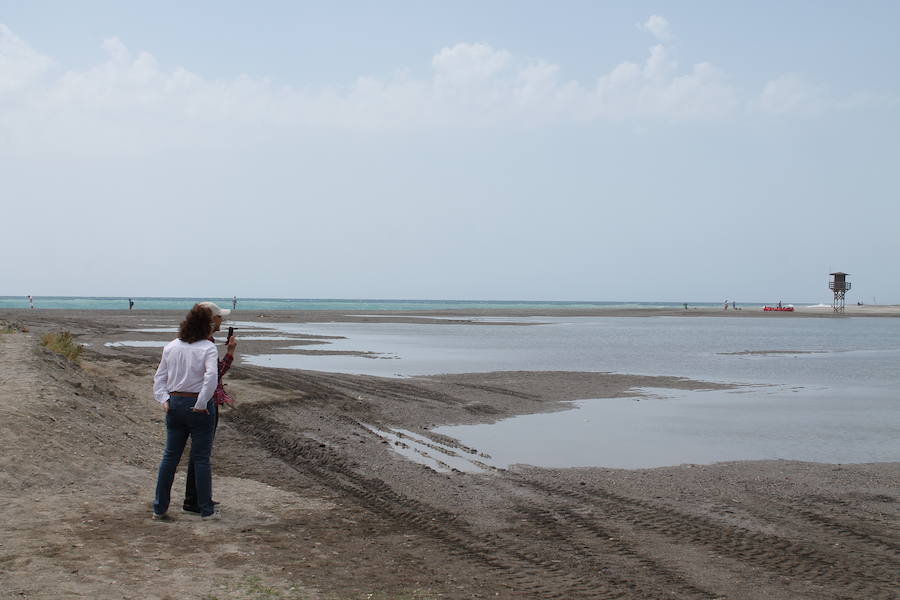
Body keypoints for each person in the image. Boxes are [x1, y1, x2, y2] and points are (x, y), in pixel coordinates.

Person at [151, 302, 230, 520]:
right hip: (197, 404)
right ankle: (205, 508)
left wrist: (164, 399)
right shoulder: (207, 347)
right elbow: (210, 378)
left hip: (175, 402)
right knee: (201, 458)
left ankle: (160, 507)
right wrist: (202, 404)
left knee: (170, 456)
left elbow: (160, 377)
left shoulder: (172, 346)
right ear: (208, 324)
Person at [182, 301, 237, 514]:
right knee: (201, 454)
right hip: (204, 403)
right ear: (211, 320)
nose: (222, 320)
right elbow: (214, 375)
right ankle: (197, 501)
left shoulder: (190, 340)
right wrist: (230, 353)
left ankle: (195, 498)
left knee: (195, 453)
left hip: (190, 400)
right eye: (219, 317)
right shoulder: (207, 343)